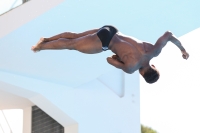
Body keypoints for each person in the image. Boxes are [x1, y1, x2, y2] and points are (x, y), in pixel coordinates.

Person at [31, 25, 189, 84]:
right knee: (71, 45)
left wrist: (182, 49)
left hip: (111, 29)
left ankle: (46, 39)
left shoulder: (155, 51)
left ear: (153, 66)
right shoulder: (131, 68)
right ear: (142, 74)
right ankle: (41, 47)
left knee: (74, 35)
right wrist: (118, 58)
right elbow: (109, 60)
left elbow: (169, 34)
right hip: (105, 42)